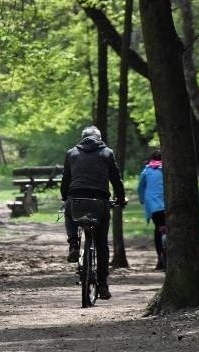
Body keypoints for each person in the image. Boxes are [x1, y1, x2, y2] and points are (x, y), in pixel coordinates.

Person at [60, 125, 126, 300]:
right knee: (102, 244)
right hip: (100, 202)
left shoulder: (71, 153)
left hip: (76, 199)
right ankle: (103, 285)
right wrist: (121, 198)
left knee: (68, 211)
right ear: (99, 138)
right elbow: (116, 179)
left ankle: (74, 245)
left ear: (82, 138)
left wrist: (64, 197)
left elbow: (65, 179)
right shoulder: (107, 153)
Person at [137, 149, 166, 270]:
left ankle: (160, 258)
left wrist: (143, 199)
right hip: (169, 206)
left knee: (158, 231)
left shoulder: (147, 170)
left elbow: (140, 187)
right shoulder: (168, 169)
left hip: (154, 207)